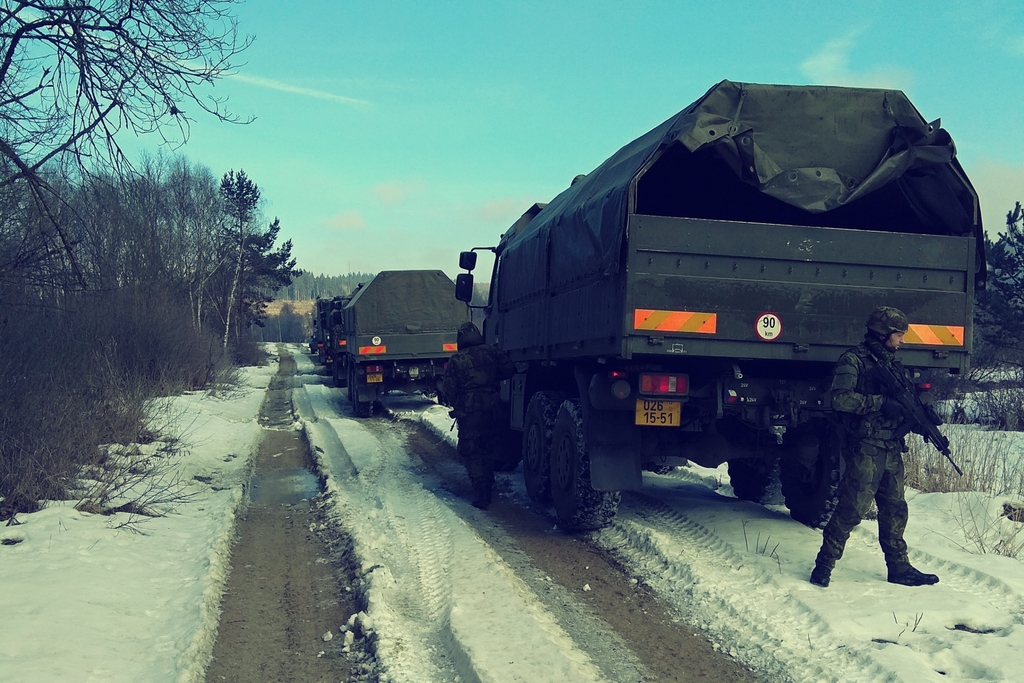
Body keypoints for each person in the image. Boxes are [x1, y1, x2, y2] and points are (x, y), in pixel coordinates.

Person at [810, 306, 940, 588]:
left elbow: (904, 399)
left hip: (891, 445)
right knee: (851, 508)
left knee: (895, 508)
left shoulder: (893, 363)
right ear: (883, 334)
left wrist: (921, 415)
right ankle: (824, 564)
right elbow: (840, 399)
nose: (902, 339)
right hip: (865, 446)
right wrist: (880, 404)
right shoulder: (853, 361)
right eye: (898, 334)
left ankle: (899, 567)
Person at [442, 321, 515, 509]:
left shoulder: (456, 359)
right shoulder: (491, 351)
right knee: (488, 447)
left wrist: (457, 405)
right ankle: (489, 486)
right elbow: (509, 369)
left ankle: (482, 491)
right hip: (492, 406)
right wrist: (490, 381)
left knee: (471, 450)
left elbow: (449, 390)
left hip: (469, 410)